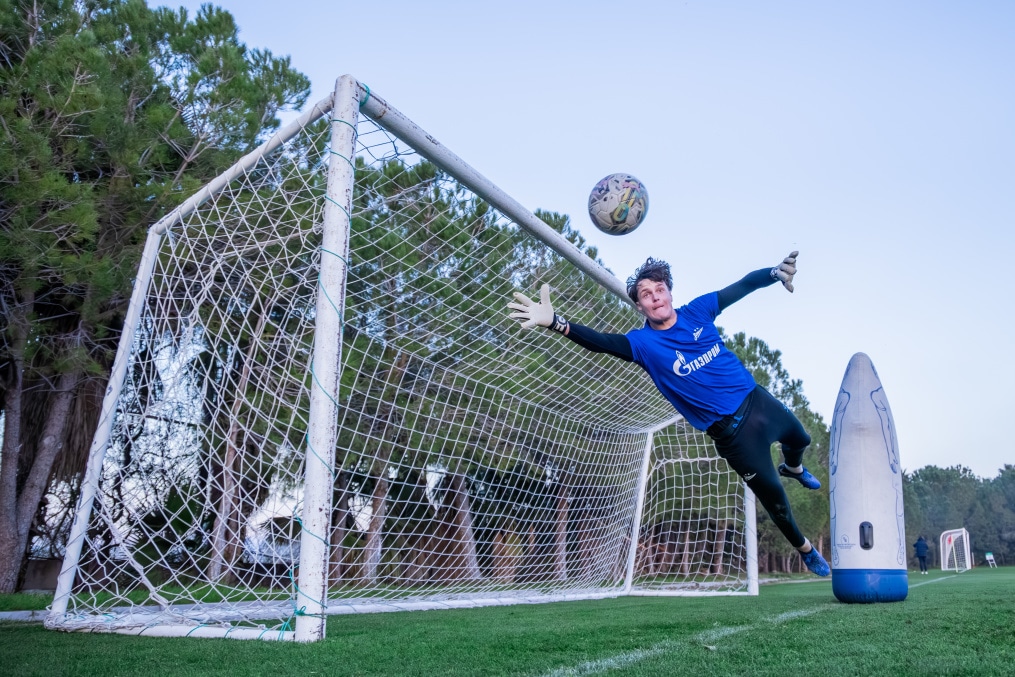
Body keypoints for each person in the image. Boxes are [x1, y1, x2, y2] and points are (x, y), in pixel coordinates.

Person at [507, 251, 830, 577]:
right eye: (646, 294)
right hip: (733, 435)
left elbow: (742, 286)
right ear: (640, 306)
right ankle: (806, 549)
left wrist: (773, 273)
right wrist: (556, 323)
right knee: (774, 499)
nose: (655, 297)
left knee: (799, 437)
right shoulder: (643, 344)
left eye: (659, 289)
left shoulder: (699, 311)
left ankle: (794, 467)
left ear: (670, 292)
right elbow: (600, 342)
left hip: (756, 401)